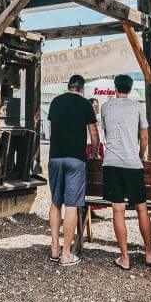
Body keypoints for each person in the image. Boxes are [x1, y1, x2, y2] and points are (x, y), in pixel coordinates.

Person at [101, 74, 151, 270]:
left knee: (118, 210)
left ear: (115, 87)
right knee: (141, 208)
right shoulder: (137, 107)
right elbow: (144, 136)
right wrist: (141, 153)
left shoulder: (105, 107)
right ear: (131, 87)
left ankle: (125, 258)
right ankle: (149, 254)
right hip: (132, 163)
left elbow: (106, 132)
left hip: (111, 163)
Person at [47, 74, 99, 267]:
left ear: (68, 86)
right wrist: (93, 153)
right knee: (71, 205)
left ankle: (54, 248)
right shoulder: (85, 104)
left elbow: (52, 130)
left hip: (55, 157)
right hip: (76, 159)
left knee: (55, 202)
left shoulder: (55, 102)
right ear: (82, 89)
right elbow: (94, 135)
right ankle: (66, 254)